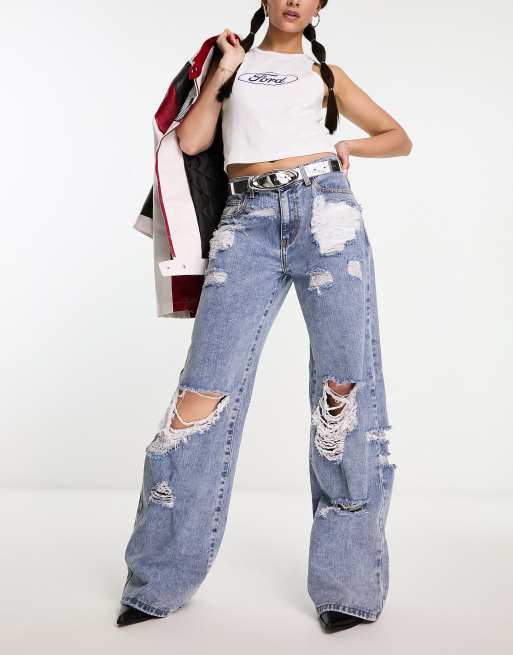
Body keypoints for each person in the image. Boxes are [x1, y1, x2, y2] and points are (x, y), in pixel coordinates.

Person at [117, 0, 412, 633]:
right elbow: (193, 141)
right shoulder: (233, 63)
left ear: (320, 6)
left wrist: (348, 145)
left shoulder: (325, 74)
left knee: (343, 393)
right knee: (200, 394)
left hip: (327, 214)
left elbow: (399, 137)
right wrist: (222, 73)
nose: (293, 1)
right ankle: (159, 579)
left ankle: (347, 588)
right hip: (245, 223)